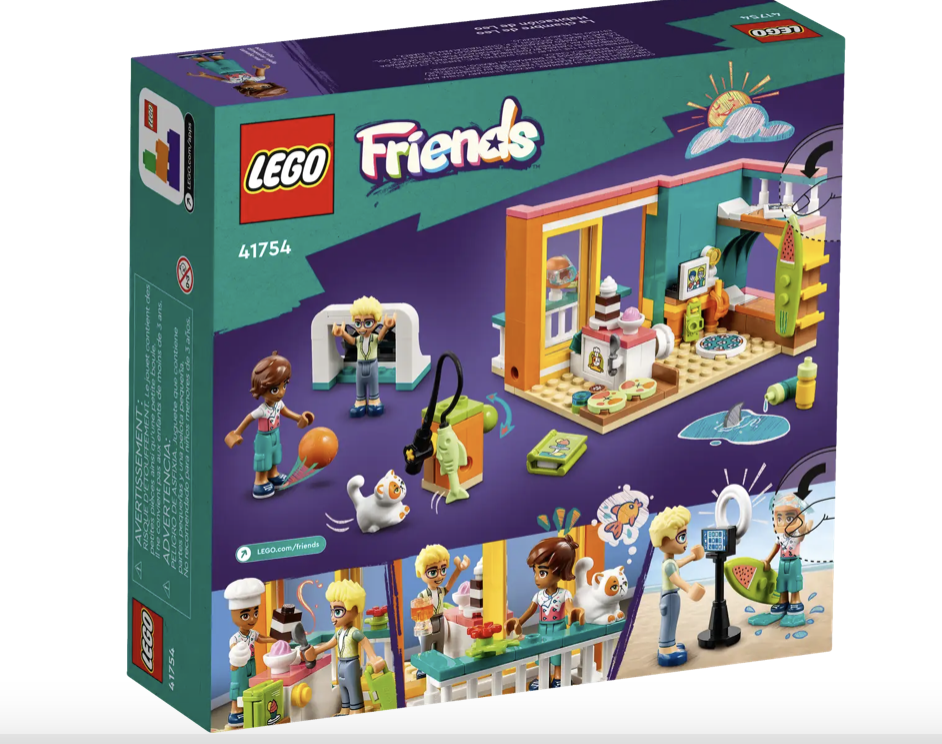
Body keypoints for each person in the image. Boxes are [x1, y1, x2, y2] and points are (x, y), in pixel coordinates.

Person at [224, 352, 314, 498]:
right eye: (275, 389)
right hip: (264, 438)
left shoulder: (278, 404)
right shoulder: (262, 410)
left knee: (275, 455)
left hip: (275, 434)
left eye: (284, 385)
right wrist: (237, 433)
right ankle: (260, 482)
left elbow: (286, 412)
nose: (281, 392)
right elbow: (248, 418)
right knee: (263, 458)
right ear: (261, 389)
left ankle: (273, 475)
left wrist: (300, 418)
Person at [506, 535, 585, 690]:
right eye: (535, 572)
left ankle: (558, 675)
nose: (536, 578)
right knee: (543, 652)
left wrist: (573, 613)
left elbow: (569, 608)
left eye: (542, 573)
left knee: (558, 653)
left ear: (560, 571)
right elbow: (530, 611)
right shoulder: (539, 596)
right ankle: (542, 675)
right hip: (543, 628)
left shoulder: (564, 594)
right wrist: (518, 621)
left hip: (559, 628)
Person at [299, 580, 386, 715]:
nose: (333, 617)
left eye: (338, 611)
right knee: (343, 687)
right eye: (332, 611)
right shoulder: (339, 633)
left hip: (351, 664)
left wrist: (373, 658)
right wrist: (315, 651)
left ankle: (357, 709)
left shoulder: (354, 632)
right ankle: (345, 708)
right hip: (341, 664)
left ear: (355, 609)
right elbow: (329, 644)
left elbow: (365, 642)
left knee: (353, 686)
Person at [649, 506, 705, 667]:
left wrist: (693, 556)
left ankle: (670, 644)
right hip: (670, 596)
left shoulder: (669, 562)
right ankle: (666, 649)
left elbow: (678, 563)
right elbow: (676, 579)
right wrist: (689, 589)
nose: (685, 542)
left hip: (670, 596)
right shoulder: (668, 565)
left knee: (671, 621)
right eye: (681, 537)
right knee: (669, 622)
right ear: (664, 539)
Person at [750, 492, 814, 628]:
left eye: (789, 517)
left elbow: (802, 535)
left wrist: (805, 528)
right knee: (782, 583)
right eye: (779, 518)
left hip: (793, 562)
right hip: (782, 562)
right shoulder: (779, 535)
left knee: (794, 582)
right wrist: (767, 560)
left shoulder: (796, 533)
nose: (784, 522)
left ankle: (795, 603)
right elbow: (776, 547)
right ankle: (783, 601)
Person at [332, 297, 396, 418]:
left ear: (375, 322)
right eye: (358, 323)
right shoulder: (359, 339)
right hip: (360, 365)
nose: (362, 328)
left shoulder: (374, 338)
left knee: (373, 383)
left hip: (372, 365)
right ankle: (360, 401)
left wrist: (386, 327)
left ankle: (374, 400)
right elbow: (351, 341)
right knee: (359, 384)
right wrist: (343, 333)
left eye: (367, 323)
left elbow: (380, 337)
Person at [225, 578, 276, 728]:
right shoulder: (235, 638)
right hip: (240, 666)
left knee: (249, 685)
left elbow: (263, 638)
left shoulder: (252, 634)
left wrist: (278, 638)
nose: (252, 619)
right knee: (237, 686)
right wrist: (235, 661)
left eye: (256, 612)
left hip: (251, 663)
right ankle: (235, 710)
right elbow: (234, 652)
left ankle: (246, 707)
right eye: (245, 615)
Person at [412, 545, 470, 679]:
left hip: (440, 621)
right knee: (426, 648)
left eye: (443, 570)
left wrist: (459, 569)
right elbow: (418, 613)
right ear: (421, 572)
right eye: (433, 572)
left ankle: (439, 666)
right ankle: (423, 668)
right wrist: (423, 623)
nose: (439, 576)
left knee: (440, 646)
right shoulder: (423, 595)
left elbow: (450, 583)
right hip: (428, 623)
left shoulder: (440, 591)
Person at [179, 51, 288, 98]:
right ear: (268, 84)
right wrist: (261, 68)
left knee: (210, 66)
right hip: (236, 68)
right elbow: (260, 72)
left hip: (221, 72)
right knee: (223, 61)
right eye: (263, 87)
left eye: (252, 89)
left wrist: (204, 75)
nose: (256, 86)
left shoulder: (233, 81)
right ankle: (215, 55)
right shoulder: (259, 78)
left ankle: (197, 57)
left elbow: (217, 78)